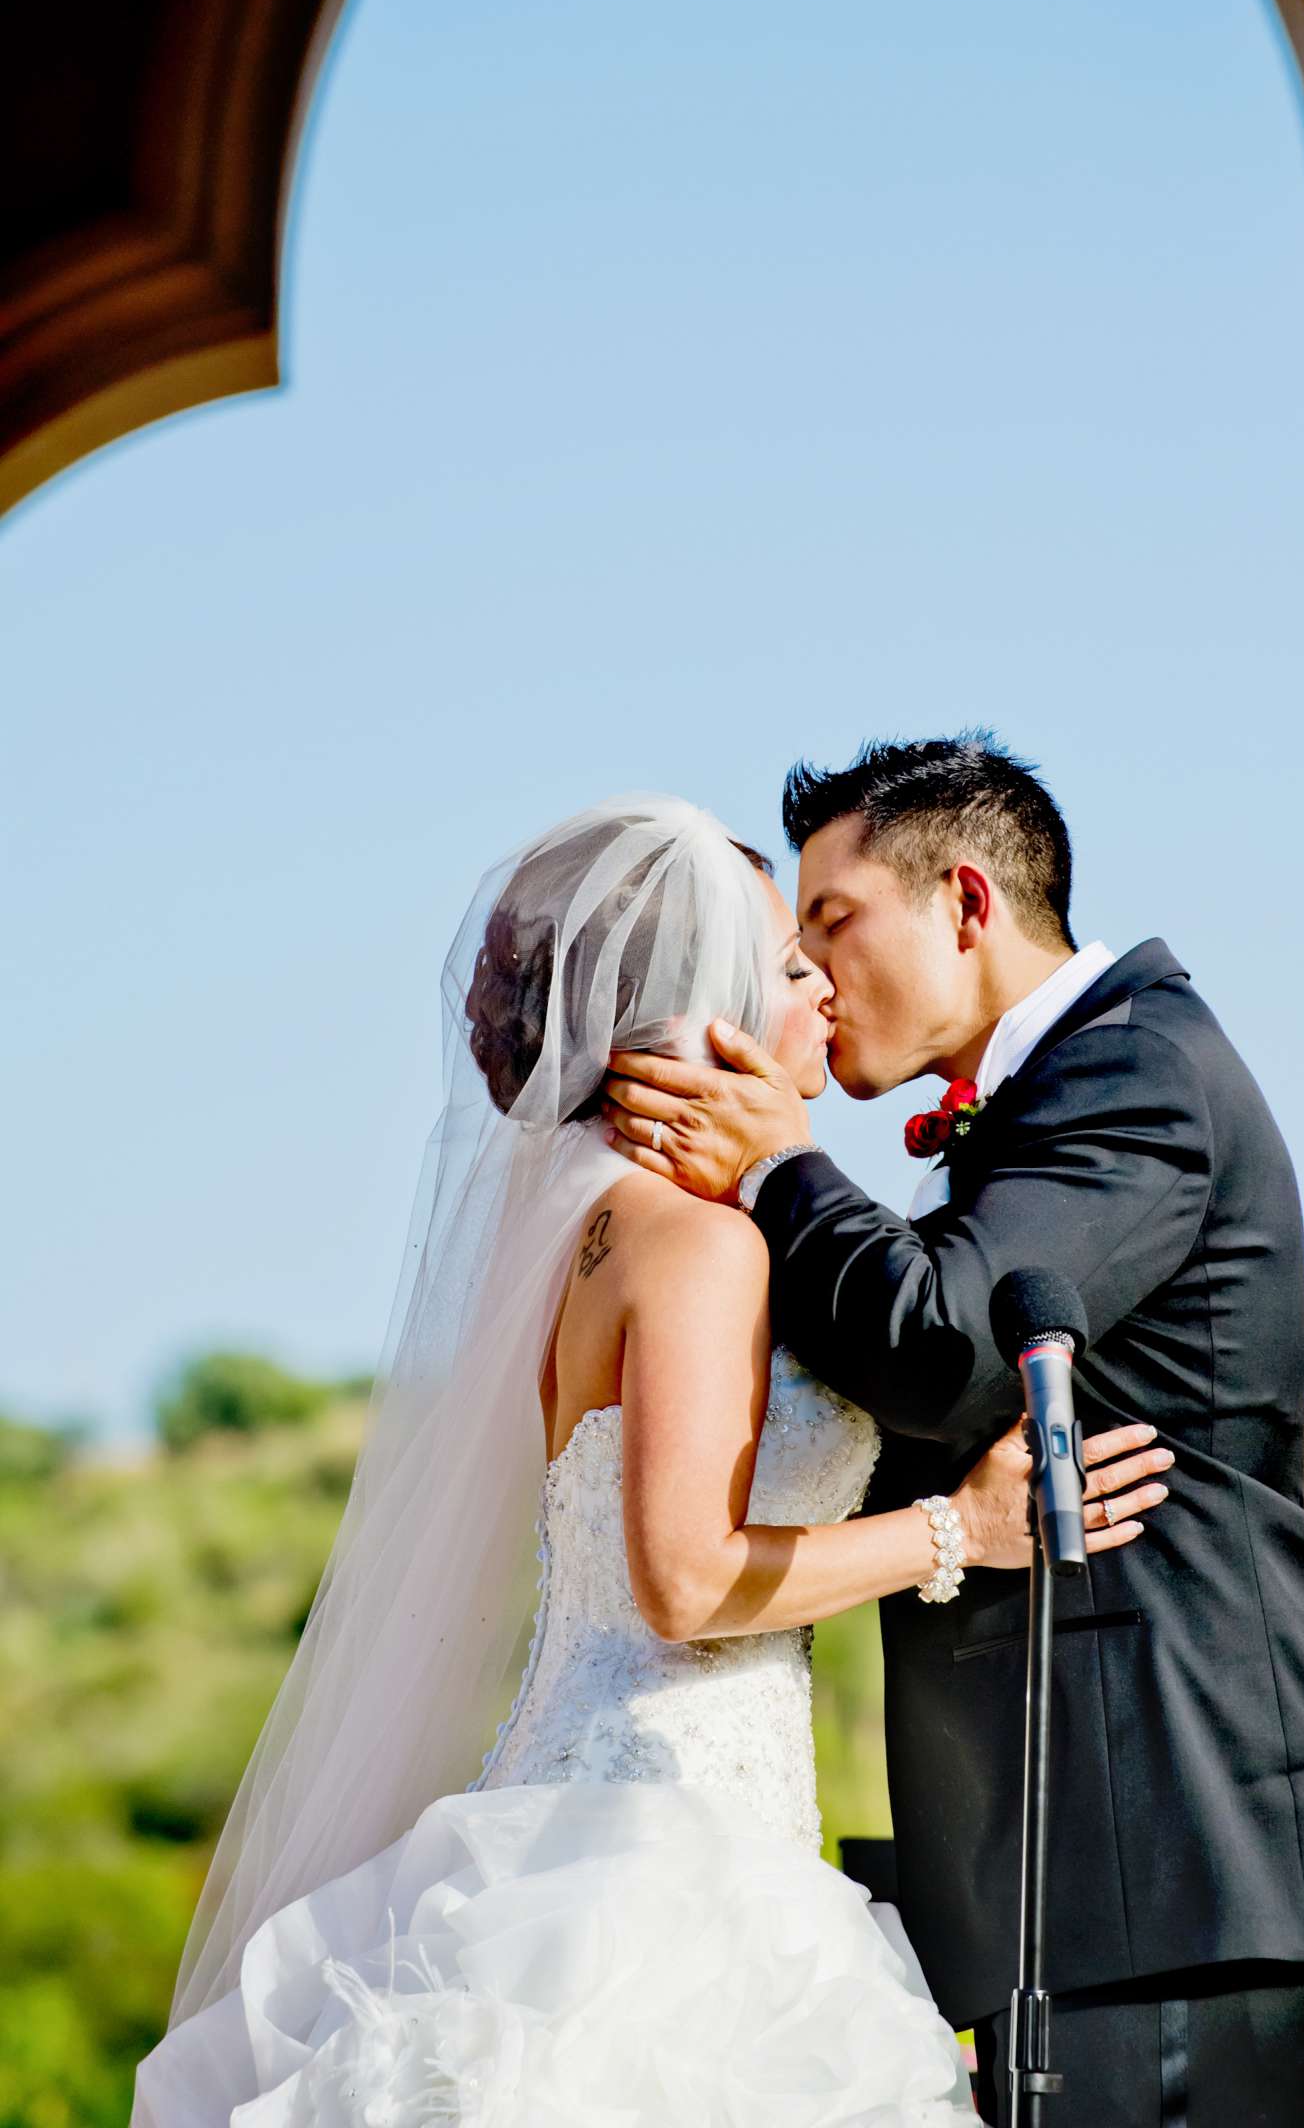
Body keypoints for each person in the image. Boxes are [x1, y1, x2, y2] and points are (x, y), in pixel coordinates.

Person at [132, 792, 1171, 2125]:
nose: (824, 998)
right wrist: (957, 1533)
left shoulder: (585, 1233)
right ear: (709, 1009)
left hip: (582, 1810)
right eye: (791, 971)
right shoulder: (696, 1244)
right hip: (656, 1862)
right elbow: (683, 1584)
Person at [604, 735, 1304, 2128]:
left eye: (832, 923)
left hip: (1162, 1852)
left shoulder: (1132, 1075)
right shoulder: (1046, 1104)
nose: (810, 973)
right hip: (1071, 1870)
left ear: (964, 902)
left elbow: (944, 1349)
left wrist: (783, 1164)